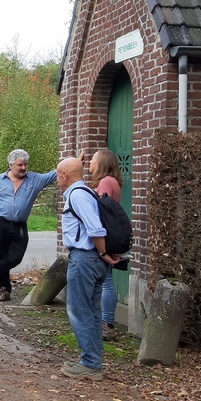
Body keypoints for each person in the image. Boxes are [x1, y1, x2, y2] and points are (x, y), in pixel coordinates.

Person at [56, 157, 120, 381]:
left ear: (64, 175)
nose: (57, 179)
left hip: (85, 259)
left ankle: (90, 363)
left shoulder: (78, 195)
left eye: (58, 175)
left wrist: (102, 253)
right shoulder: (88, 193)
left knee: (80, 311)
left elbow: (95, 227)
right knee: (92, 311)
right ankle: (94, 360)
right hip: (92, 260)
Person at [0, 149, 57, 301]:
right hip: (0, 223)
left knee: (15, 258)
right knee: (0, 257)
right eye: (20, 165)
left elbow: (55, 174)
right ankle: (4, 290)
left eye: (25, 165)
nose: (24, 168)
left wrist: (76, 161)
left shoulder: (35, 180)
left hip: (19, 226)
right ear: (11, 164)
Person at [87, 150, 124, 341]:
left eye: (93, 159)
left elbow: (101, 209)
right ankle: (105, 322)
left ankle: (107, 324)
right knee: (106, 279)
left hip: (106, 236)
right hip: (110, 234)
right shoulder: (112, 182)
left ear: (101, 163)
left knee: (107, 280)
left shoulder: (105, 182)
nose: (90, 163)